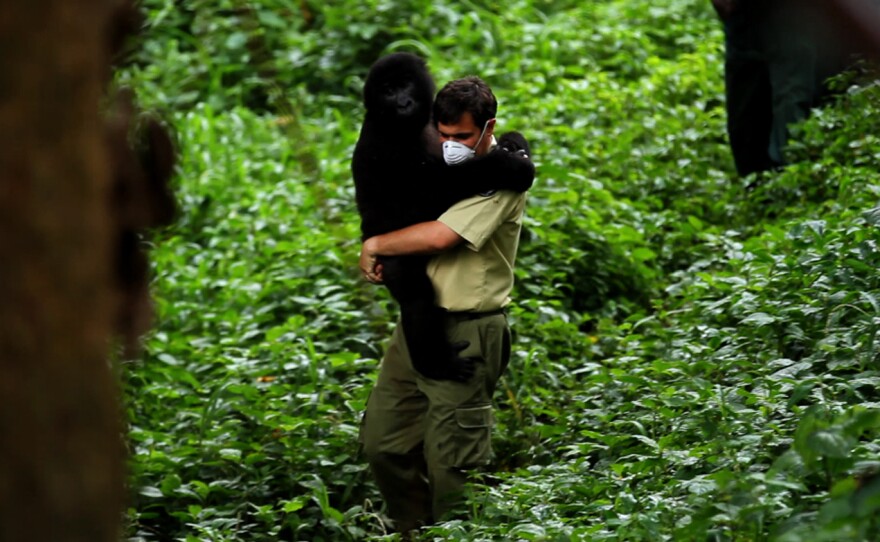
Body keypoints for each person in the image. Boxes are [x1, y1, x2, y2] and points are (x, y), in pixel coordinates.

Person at [358, 76, 529, 532]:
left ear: (488, 127)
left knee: (453, 465)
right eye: (444, 135)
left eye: (462, 137)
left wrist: (376, 243)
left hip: (469, 328)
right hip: (416, 327)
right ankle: (415, 529)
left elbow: (442, 235)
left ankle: (456, 532)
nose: (450, 146)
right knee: (383, 444)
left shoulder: (502, 175)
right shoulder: (433, 158)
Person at [711, 0, 856, 177]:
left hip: (792, 14)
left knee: (793, 98)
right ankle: (758, 184)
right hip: (743, 18)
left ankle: (788, 176)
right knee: (745, 114)